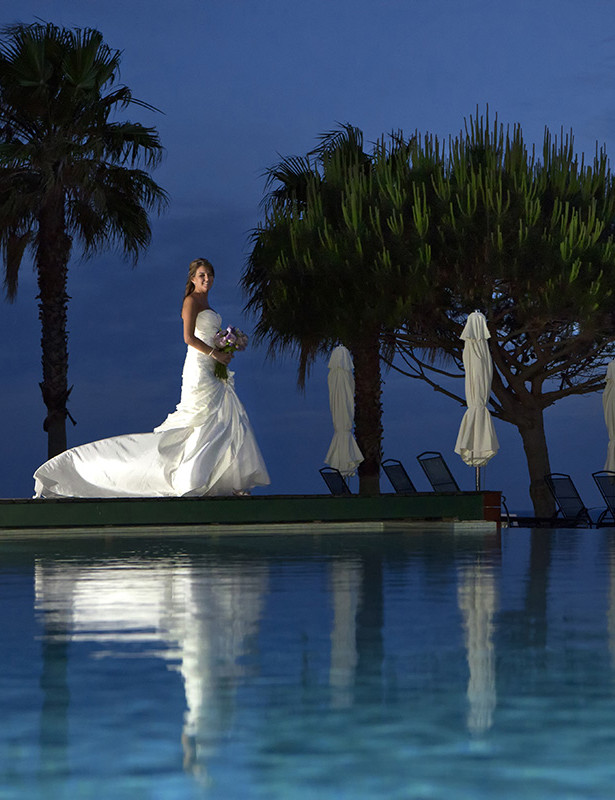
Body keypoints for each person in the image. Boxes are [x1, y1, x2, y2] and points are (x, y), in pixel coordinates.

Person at [33, 258, 270, 498]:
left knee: (225, 415)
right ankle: (191, 478)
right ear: (192, 278)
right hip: (200, 367)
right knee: (202, 418)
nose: (206, 279)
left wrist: (225, 347)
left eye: (209, 275)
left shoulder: (207, 303)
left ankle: (225, 480)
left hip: (213, 365)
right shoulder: (191, 301)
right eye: (201, 275)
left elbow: (207, 335)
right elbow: (188, 338)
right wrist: (215, 353)